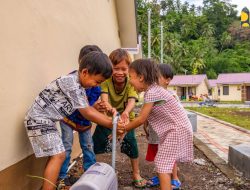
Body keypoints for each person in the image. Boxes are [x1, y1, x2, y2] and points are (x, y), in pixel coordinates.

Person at [24, 51, 114, 190]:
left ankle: (49, 186)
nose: (96, 86)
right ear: (85, 72)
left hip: (47, 121)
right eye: (97, 81)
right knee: (59, 155)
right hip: (39, 119)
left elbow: (87, 107)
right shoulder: (71, 82)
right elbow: (87, 112)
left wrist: (101, 110)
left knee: (56, 154)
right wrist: (111, 123)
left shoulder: (78, 84)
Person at [118, 59, 193, 190]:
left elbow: (141, 118)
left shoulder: (152, 92)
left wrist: (124, 128)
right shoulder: (154, 91)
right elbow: (145, 117)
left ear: (141, 77)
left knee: (162, 163)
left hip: (176, 130)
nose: (129, 80)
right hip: (176, 129)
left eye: (131, 77)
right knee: (163, 161)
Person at [92, 48, 147, 188]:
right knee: (95, 143)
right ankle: (92, 170)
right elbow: (104, 100)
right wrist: (112, 111)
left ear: (129, 69)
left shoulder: (131, 82)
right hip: (108, 118)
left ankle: (136, 173)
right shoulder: (106, 82)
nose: (120, 72)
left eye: (124, 69)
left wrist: (125, 113)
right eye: (116, 68)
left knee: (132, 145)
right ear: (110, 68)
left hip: (126, 119)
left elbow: (131, 101)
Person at [57, 45, 103, 186]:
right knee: (67, 145)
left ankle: (90, 174)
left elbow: (91, 105)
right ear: (81, 64)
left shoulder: (96, 86)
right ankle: (62, 177)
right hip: (68, 118)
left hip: (84, 121)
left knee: (88, 146)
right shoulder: (72, 80)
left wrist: (97, 106)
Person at [144, 64, 181, 189]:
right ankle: (161, 176)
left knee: (170, 156)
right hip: (155, 132)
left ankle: (175, 178)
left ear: (167, 80)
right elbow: (148, 111)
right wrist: (145, 124)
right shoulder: (152, 93)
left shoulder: (171, 96)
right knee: (158, 156)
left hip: (168, 132)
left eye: (157, 77)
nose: (154, 80)